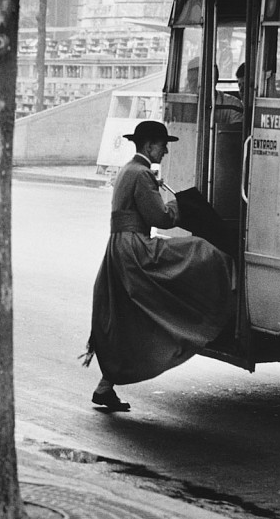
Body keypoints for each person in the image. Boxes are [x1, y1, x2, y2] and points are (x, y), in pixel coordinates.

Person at [84, 120, 233, 412]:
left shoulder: (129, 169)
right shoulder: (142, 174)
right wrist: (181, 205)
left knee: (128, 317)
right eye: (162, 145)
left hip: (119, 247)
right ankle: (224, 293)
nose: (165, 151)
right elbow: (161, 218)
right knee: (200, 251)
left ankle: (105, 387)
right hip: (135, 248)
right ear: (149, 145)